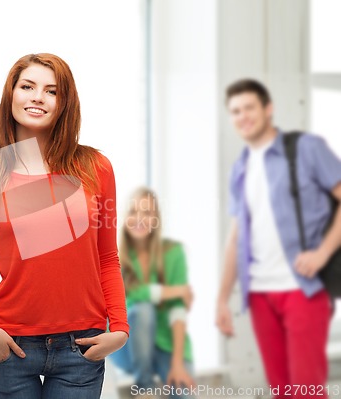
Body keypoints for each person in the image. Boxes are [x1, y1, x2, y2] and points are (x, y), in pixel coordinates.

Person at [0, 53, 129, 399]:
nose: (37, 96)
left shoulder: (97, 169)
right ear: (11, 96)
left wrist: (121, 329)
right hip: (10, 347)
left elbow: (107, 258)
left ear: (64, 104)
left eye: (51, 91)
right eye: (27, 86)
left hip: (81, 348)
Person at [216, 79, 341, 398]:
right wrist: (222, 298)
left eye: (249, 107)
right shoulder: (240, 168)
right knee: (282, 390)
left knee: (306, 391)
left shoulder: (306, 149)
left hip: (304, 288)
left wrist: (322, 253)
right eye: (235, 111)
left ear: (267, 109)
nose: (242, 116)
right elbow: (236, 237)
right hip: (259, 292)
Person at [110, 187, 195, 398]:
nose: (139, 219)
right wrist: (172, 290)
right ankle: (144, 388)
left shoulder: (173, 252)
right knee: (143, 310)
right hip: (126, 345)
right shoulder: (113, 256)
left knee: (184, 393)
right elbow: (128, 295)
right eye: (133, 212)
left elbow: (178, 309)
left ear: (156, 219)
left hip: (164, 343)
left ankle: (166, 367)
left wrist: (177, 363)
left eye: (147, 213)